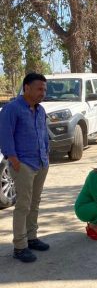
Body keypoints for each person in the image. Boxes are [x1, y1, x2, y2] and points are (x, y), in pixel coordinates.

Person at [0, 72, 49, 263]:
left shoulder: (41, 110)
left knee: (34, 203)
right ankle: (20, 247)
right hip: (23, 165)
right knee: (23, 205)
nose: (42, 92)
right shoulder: (12, 109)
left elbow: (44, 135)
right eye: (39, 88)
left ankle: (32, 237)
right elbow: (5, 136)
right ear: (26, 88)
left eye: (44, 89)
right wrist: (14, 159)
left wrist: (46, 154)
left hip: (41, 163)